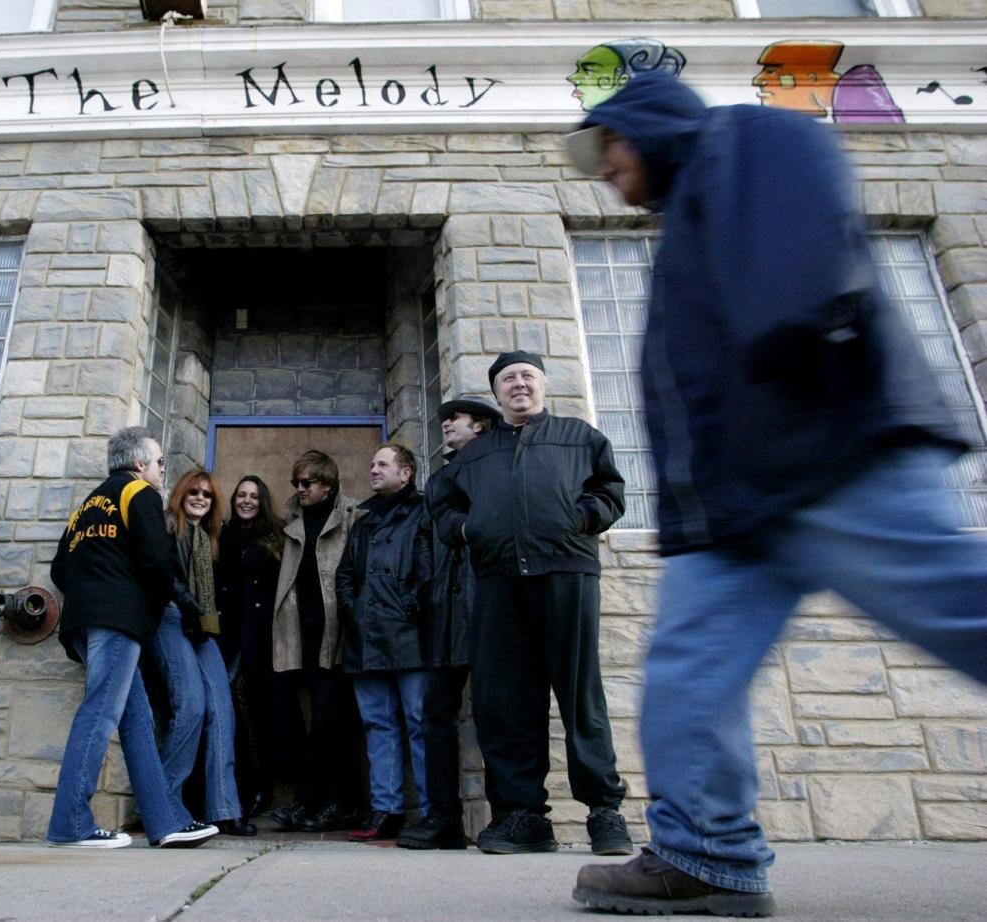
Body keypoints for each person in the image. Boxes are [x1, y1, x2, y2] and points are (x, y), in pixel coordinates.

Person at [564, 70, 987, 916]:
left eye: (607, 146)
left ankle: (704, 851)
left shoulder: (748, 138)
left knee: (961, 610)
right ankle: (704, 856)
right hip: (734, 507)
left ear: (642, 128)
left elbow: (803, 270)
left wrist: (800, 346)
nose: (604, 169)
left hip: (826, 455)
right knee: (688, 676)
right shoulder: (687, 216)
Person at [429, 350, 633, 857]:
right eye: (508, 380)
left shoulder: (580, 437)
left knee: (580, 697)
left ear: (542, 385)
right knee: (506, 703)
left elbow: (610, 491)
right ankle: (522, 817)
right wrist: (466, 529)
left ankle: (604, 813)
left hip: (568, 576)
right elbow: (442, 504)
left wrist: (582, 519)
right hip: (499, 583)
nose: (519, 385)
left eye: (527, 376)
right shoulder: (476, 453)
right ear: (496, 394)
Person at [47, 427, 216, 849]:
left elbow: (58, 570)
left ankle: (165, 821)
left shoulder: (88, 504)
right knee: (99, 714)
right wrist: (151, 607)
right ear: (139, 465)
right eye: (160, 462)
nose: (162, 469)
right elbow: (158, 564)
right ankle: (70, 824)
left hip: (84, 624)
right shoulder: (139, 493)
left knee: (136, 721)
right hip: (117, 623)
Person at [397, 396, 499, 851]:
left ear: (479, 425)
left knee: (497, 716)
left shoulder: (499, 468)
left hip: (490, 608)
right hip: (444, 613)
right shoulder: (440, 479)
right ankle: (444, 818)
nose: (444, 425)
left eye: (452, 419)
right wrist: (425, 593)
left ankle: (510, 815)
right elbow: (428, 545)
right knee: (435, 714)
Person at [335, 443, 434, 842]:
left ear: (405, 473)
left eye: (382, 464)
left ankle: (430, 812)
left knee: (418, 723)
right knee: (378, 724)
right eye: (371, 463)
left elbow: (430, 571)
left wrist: (410, 609)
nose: (373, 469)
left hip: (410, 637)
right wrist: (353, 609)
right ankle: (386, 809)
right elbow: (345, 575)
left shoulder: (424, 513)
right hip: (366, 637)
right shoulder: (364, 521)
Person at [150, 469, 255, 838]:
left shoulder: (209, 536)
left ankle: (225, 807)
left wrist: (201, 611)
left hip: (201, 625)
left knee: (222, 710)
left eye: (207, 495)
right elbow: (161, 573)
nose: (199, 498)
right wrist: (189, 603)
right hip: (170, 617)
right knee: (191, 705)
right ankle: (163, 803)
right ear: (181, 493)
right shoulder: (167, 524)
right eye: (193, 491)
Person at [269, 450, 364, 833]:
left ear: (328, 484)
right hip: (302, 634)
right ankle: (339, 803)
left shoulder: (353, 516)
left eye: (307, 482)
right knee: (327, 720)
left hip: (340, 632)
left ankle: (309, 801)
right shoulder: (292, 519)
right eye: (296, 483)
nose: (300, 489)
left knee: (331, 717)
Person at [216, 474, 288, 820]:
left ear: (262, 502)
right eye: (241, 494)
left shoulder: (274, 539)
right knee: (227, 712)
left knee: (254, 712)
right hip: (224, 635)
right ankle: (233, 787)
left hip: (260, 639)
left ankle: (258, 785)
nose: (246, 500)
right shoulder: (221, 536)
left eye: (253, 496)